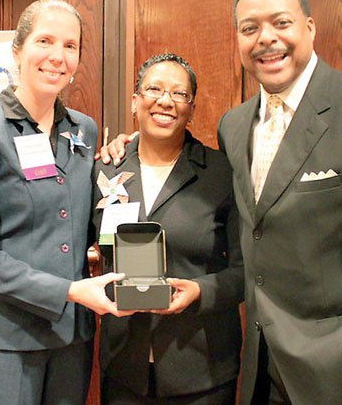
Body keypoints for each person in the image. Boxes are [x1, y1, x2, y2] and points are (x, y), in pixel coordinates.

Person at [101, 0, 342, 405]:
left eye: (281, 23)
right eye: (250, 28)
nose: (266, 38)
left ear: (309, 27)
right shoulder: (234, 127)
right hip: (259, 367)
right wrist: (128, 145)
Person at [0, 0, 126, 405]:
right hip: (0, 343)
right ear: (18, 49)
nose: (57, 57)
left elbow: (88, 214)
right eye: (45, 41)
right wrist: (70, 291)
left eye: (70, 46)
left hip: (69, 344)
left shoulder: (84, 130)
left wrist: (132, 157)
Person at [91, 53, 244, 404]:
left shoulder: (221, 174)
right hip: (124, 366)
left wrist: (200, 291)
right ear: (135, 101)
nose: (165, 101)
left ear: (191, 108)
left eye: (179, 94)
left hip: (200, 365)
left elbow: (247, 270)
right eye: (154, 89)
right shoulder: (104, 170)